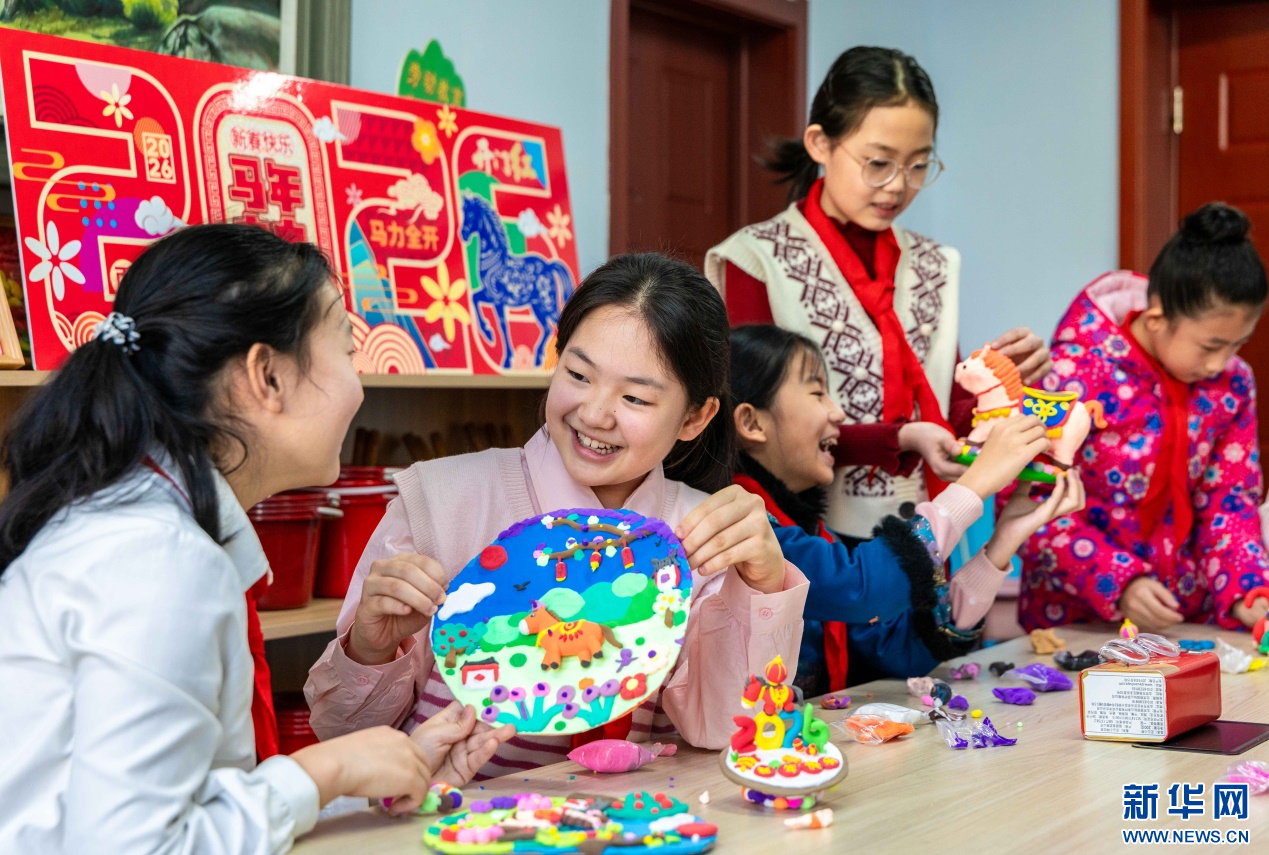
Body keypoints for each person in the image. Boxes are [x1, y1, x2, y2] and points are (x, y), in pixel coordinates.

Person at [0, 224, 512, 854]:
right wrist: (322, 772)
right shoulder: (157, 560)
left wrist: (381, 776)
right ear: (266, 376)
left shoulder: (153, 530)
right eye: (347, 352)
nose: (358, 386)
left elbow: (188, 805)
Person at [307, 253, 810, 771]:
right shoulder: (439, 500)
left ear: (695, 417)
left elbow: (727, 731)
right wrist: (369, 648)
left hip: (637, 817)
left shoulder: (706, 538)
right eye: (578, 374)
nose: (594, 413)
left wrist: (763, 586)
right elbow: (343, 737)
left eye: (635, 398)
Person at [705, 45, 1052, 539]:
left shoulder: (934, 264)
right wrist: (899, 438)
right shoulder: (756, 260)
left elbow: (950, 414)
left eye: (918, 165)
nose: (897, 186)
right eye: (878, 163)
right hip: (803, 534)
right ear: (819, 143)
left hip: (929, 524)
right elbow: (757, 426)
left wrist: (1000, 384)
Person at [729, 325, 1084, 690]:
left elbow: (900, 649)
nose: (838, 413)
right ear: (752, 422)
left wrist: (1001, 544)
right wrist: (975, 485)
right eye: (818, 393)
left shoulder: (808, 531)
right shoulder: (740, 527)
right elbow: (860, 589)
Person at [1017, 203, 1269, 632]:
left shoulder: (1233, 384)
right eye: (1210, 346)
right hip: (1077, 623)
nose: (1221, 363)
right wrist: (1120, 582)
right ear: (1156, 320)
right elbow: (1030, 502)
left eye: (1237, 344)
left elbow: (1229, 500)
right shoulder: (1071, 375)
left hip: (1184, 623)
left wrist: (1250, 591)